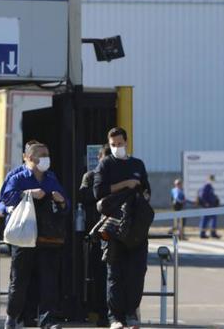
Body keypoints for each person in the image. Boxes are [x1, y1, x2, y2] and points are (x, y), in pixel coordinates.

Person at [0, 141, 68, 329]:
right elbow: (5, 199)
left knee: (49, 280)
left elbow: (65, 205)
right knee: (19, 280)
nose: (45, 158)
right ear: (29, 158)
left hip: (47, 237)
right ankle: (12, 316)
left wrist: (61, 201)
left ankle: (47, 320)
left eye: (46, 154)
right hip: (24, 237)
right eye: (40, 155)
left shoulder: (51, 178)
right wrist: (27, 193)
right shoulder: (18, 178)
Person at [93, 127, 152, 329]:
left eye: (120, 143)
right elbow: (98, 192)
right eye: (113, 145)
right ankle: (114, 318)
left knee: (136, 272)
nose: (117, 147)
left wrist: (141, 195)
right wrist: (126, 184)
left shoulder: (137, 164)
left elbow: (147, 190)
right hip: (113, 226)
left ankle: (131, 314)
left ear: (126, 142)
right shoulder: (105, 164)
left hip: (136, 228)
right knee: (114, 273)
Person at [78, 146, 111, 325]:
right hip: (96, 233)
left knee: (113, 275)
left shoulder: (118, 176)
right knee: (98, 275)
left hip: (115, 233)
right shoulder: (90, 177)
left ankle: (113, 312)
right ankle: (99, 312)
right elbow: (83, 196)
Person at [198, 175, 221, 239]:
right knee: (205, 220)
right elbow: (202, 195)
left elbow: (210, 195)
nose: (212, 182)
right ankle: (204, 234)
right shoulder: (206, 186)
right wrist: (205, 203)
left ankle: (211, 233)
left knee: (211, 219)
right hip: (208, 206)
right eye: (212, 180)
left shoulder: (209, 186)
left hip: (211, 206)